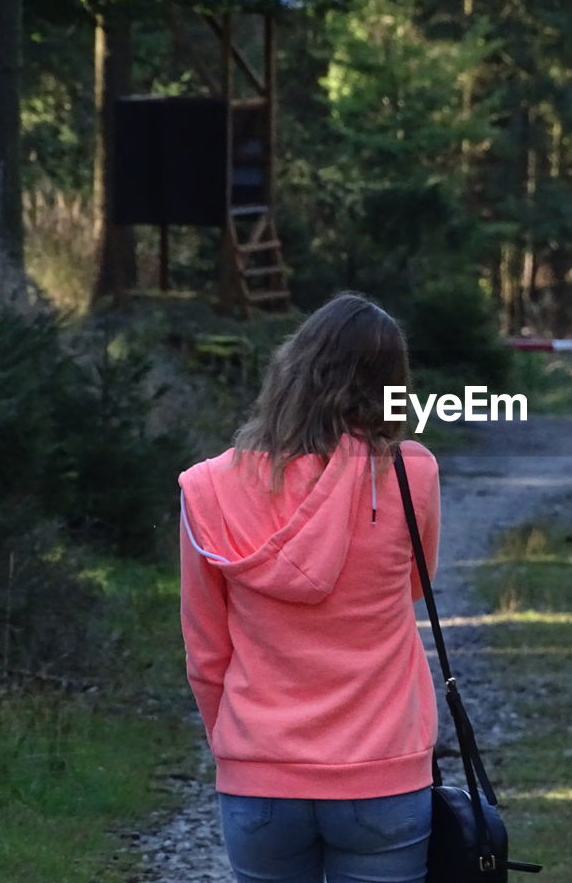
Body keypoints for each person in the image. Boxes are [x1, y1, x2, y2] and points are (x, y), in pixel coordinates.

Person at [177, 292, 441, 883]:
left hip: (260, 774)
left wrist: (239, 746)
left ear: (292, 368)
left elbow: (205, 651)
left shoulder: (207, 488)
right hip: (383, 770)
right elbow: (415, 586)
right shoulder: (411, 472)